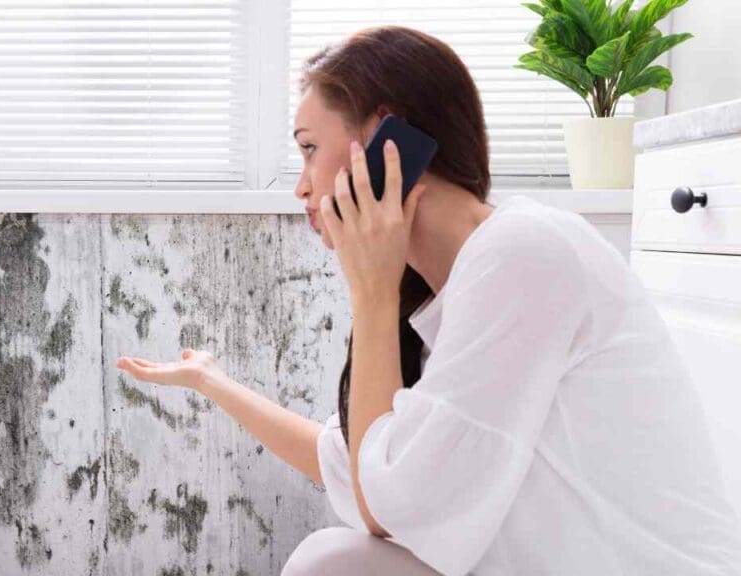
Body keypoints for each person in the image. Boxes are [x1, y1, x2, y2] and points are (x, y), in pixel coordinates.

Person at [116, 25, 741, 575]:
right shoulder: (460, 287)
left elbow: (395, 509)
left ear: (389, 143)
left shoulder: (525, 253)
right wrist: (212, 381)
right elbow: (350, 463)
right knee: (329, 561)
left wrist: (372, 291)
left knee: (329, 563)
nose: (302, 186)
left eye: (309, 148)